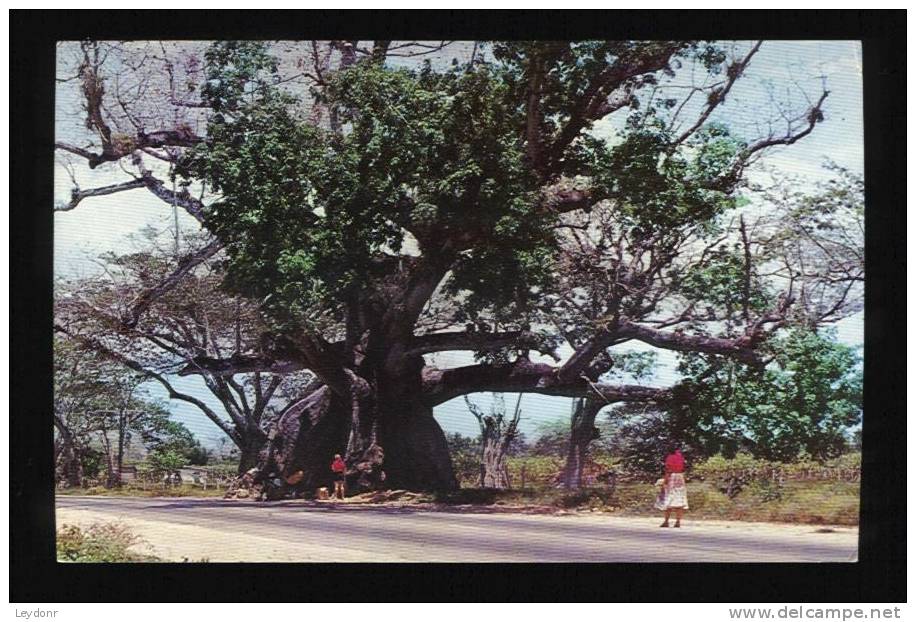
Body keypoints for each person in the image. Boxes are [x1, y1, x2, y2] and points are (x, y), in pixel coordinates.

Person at [657, 447, 689, 528]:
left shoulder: (670, 457)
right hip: (680, 477)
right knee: (679, 499)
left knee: (668, 499)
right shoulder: (681, 457)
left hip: (672, 477)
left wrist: (665, 480)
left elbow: (668, 469)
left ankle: (666, 521)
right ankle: (678, 522)